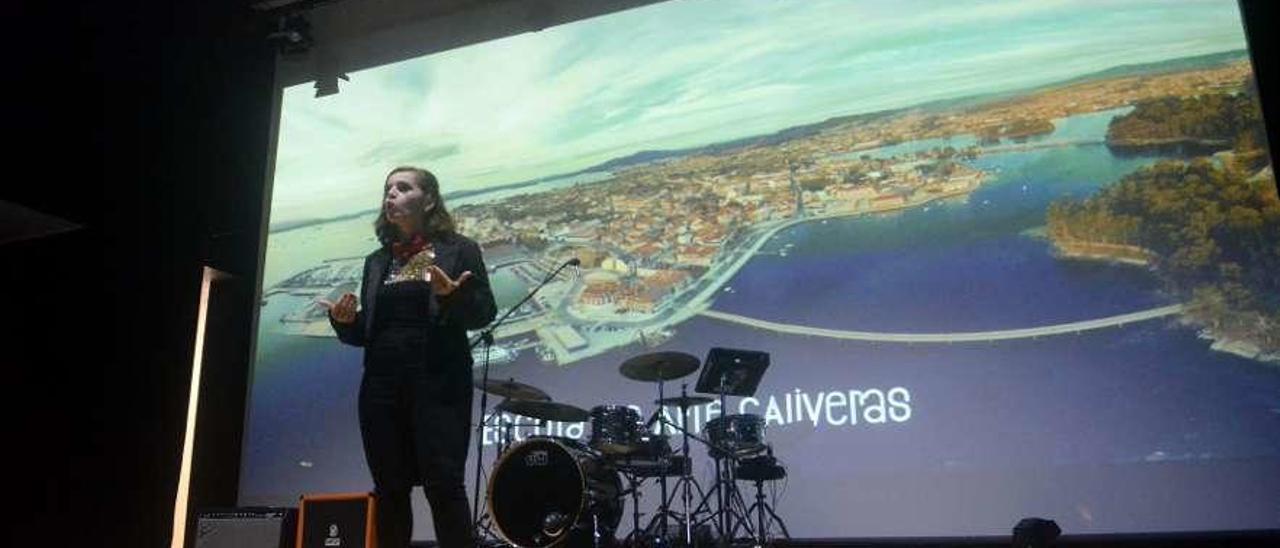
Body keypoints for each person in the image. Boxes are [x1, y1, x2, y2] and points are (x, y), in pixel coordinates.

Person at [319, 166, 496, 548]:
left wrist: (454, 297)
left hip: (439, 385)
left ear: (429, 200)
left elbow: (484, 313)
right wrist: (345, 322)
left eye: (403, 187)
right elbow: (370, 333)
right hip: (381, 389)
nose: (391, 195)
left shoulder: (460, 249)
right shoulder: (376, 261)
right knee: (389, 490)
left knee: (444, 487)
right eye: (388, 189)